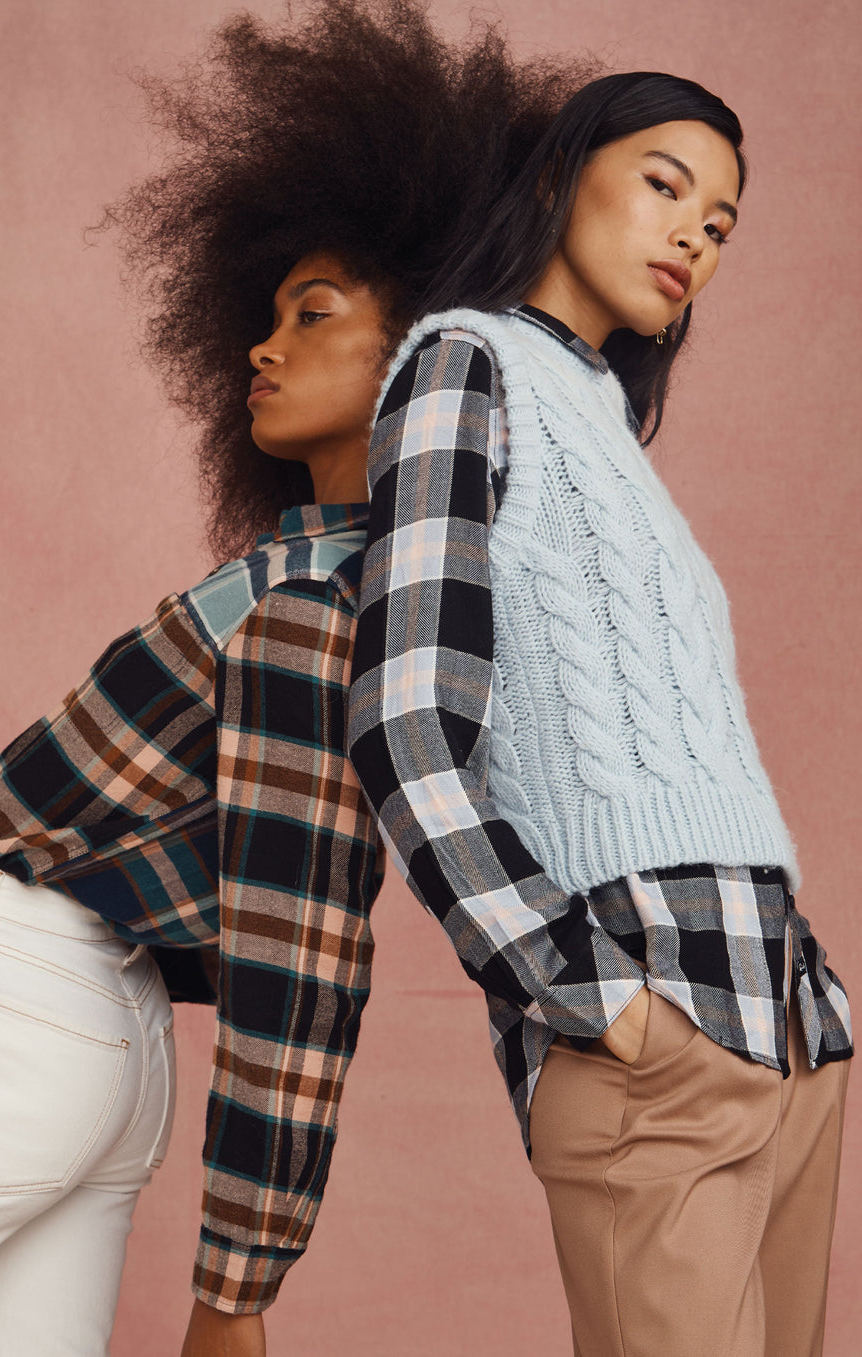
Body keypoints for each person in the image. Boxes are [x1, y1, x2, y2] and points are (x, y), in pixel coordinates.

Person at [0, 4, 581, 1354]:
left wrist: (234, 1291)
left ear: (427, 356)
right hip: (100, 1039)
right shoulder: (334, 579)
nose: (262, 347)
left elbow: (298, 947)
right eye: (263, 314)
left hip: (5, 1015)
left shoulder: (317, 610)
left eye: (312, 311)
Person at [348, 70, 853, 1357]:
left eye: (724, 224)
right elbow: (405, 726)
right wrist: (580, 990)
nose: (697, 235)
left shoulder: (606, 421)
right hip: (653, 1018)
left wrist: (809, 989)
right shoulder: (464, 363)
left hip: (780, 1018)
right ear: (562, 176)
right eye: (666, 187)